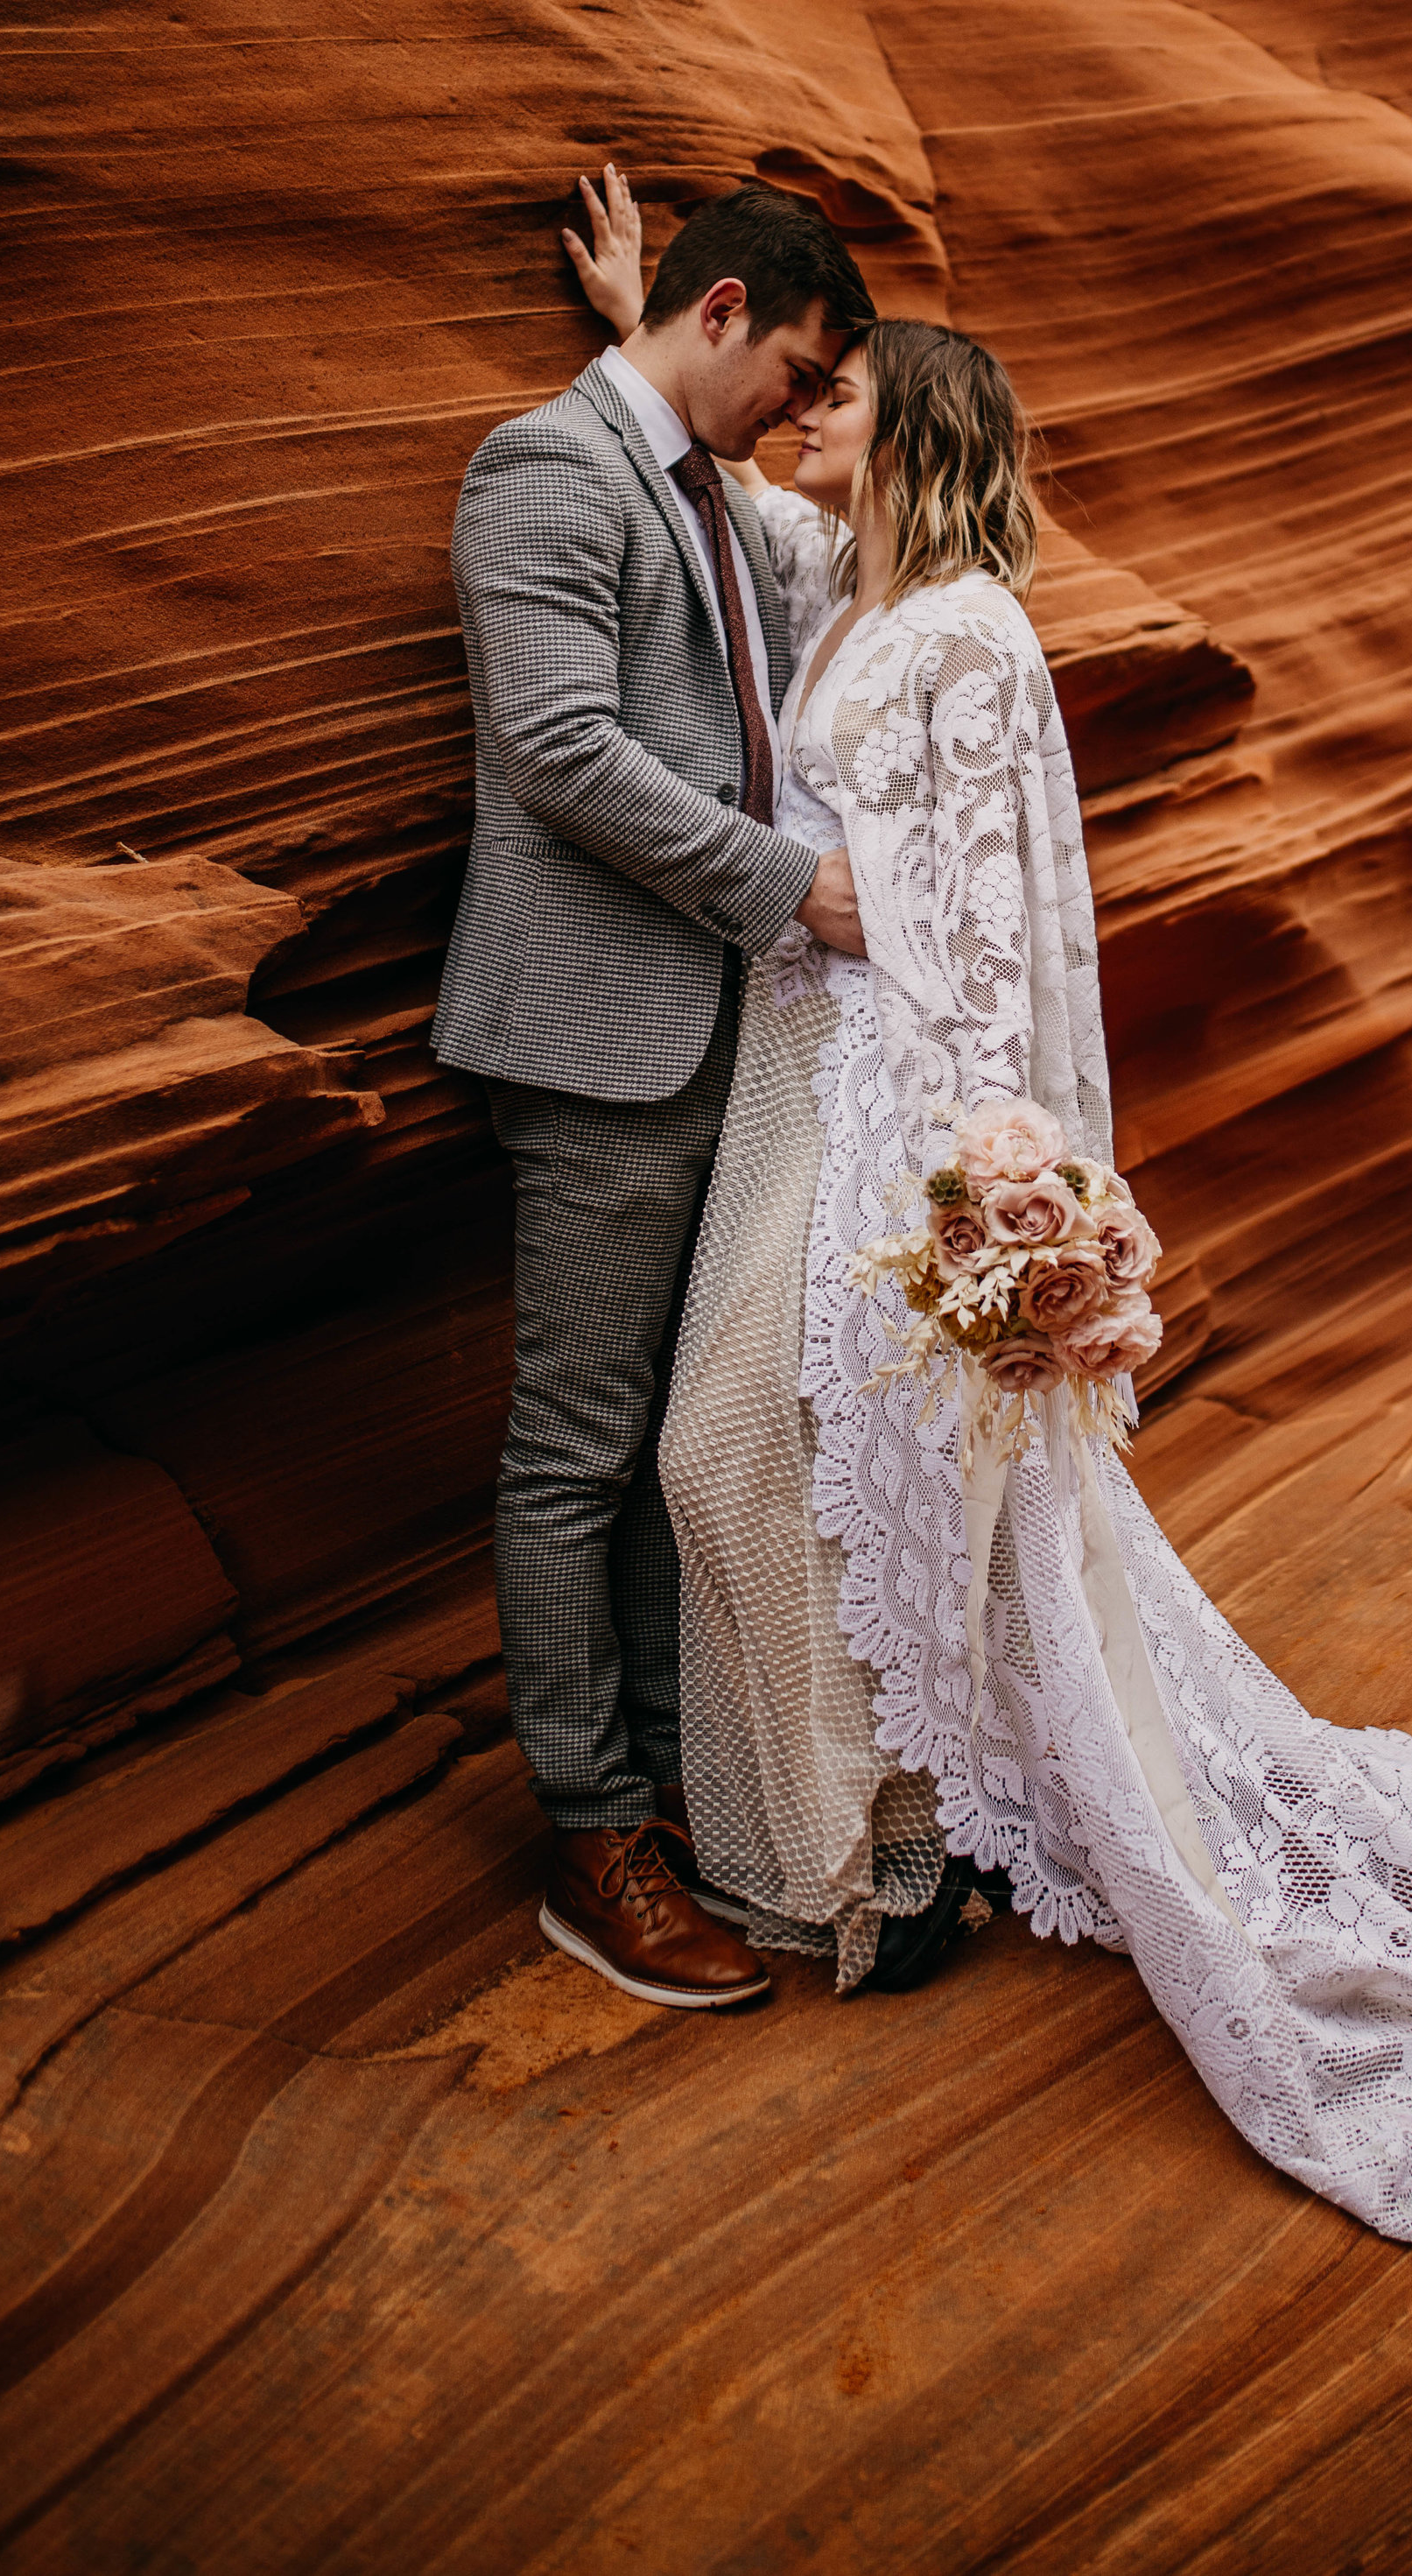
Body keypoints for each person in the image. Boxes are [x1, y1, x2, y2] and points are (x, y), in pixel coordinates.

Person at [568, 174, 1412, 2353]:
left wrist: (997, 1179)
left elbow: (989, 942)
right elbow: (735, 513)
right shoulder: (852, 597)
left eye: (840, 400)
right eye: (793, 382)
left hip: (895, 1116)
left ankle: (874, 1870)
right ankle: (862, 1861)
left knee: (781, 1468)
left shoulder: (966, 636)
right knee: (775, 1477)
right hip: (797, 1094)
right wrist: (642, 336)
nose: (804, 413)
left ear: (914, 431)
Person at [433, 172, 873, 2012]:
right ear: (718, 320)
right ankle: (586, 1832)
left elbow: (811, 574)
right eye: (784, 366)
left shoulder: (690, 475)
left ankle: (667, 1783)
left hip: (719, 1039)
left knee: (670, 1443)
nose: (791, 408)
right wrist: (795, 888)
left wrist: (650, 344)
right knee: (575, 1450)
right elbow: (554, 749)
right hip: (600, 1041)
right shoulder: (543, 469)